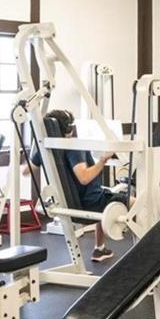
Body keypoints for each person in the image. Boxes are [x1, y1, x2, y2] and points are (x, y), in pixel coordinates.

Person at [50, 109, 130, 264]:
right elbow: (84, 178)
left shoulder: (46, 150)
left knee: (105, 195)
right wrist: (103, 160)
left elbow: (26, 171)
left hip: (71, 202)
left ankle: (100, 249)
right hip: (90, 202)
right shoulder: (74, 147)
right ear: (68, 129)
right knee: (138, 203)